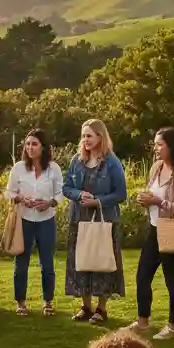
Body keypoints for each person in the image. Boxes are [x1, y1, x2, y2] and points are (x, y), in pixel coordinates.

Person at [130, 126, 174, 340]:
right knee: (142, 276)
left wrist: (160, 202)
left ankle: (172, 326)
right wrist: (145, 200)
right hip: (154, 229)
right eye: (155, 144)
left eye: (160, 144)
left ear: (172, 147)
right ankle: (143, 322)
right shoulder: (156, 168)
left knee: (172, 281)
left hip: (172, 231)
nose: (156, 148)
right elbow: (153, 196)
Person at [63, 118, 127, 324]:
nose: (85, 140)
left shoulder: (112, 162)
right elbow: (66, 187)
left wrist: (97, 201)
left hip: (103, 220)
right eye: (83, 136)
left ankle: (101, 308)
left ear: (101, 137)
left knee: (101, 261)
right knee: (82, 261)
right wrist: (78, 195)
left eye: (89, 135)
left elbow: (121, 193)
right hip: (79, 219)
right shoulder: (77, 160)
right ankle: (86, 306)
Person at [5, 129, 64, 317]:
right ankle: (21, 303)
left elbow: (60, 193)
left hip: (46, 220)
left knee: (47, 264)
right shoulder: (18, 168)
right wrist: (20, 198)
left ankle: (48, 302)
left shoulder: (53, 169)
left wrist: (49, 203)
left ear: (43, 147)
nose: (30, 147)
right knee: (21, 263)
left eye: (34, 144)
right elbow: (8, 192)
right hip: (24, 220)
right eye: (28, 144)